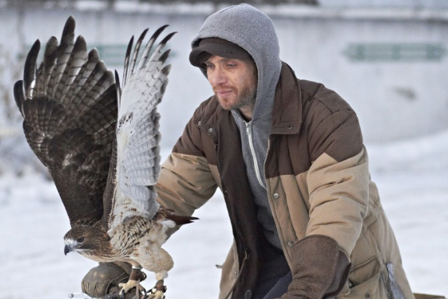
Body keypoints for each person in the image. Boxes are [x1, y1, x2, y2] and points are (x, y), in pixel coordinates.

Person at [82, 3, 415, 299]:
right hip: (263, 258)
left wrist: (305, 291)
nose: (217, 78)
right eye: (210, 66)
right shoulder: (209, 123)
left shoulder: (326, 117)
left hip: (339, 268)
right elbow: (169, 194)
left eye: (230, 64)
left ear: (262, 64)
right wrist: (120, 258)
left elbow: (336, 215)